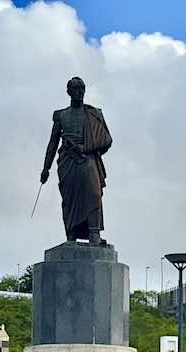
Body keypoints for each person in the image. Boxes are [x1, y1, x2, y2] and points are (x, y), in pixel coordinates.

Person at [41, 77, 112, 245]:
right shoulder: (61, 115)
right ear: (69, 92)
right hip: (68, 161)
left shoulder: (94, 114)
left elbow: (106, 139)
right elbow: (53, 142)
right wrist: (46, 168)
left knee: (94, 194)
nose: (80, 92)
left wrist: (86, 146)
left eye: (82, 89)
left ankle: (94, 233)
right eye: (76, 89)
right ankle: (71, 233)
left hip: (88, 158)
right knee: (70, 198)